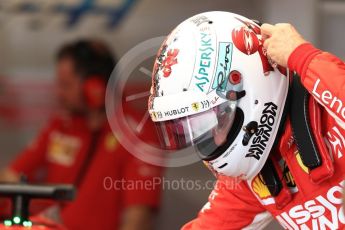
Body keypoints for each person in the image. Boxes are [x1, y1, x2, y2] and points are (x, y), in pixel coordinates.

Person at [147, 11, 345, 229]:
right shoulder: (252, 175)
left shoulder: (331, 112)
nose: (209, 137)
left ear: (247, 89)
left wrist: (304, 57)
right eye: (194, 130)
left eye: (210, 122)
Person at [0, 40, 162, 230]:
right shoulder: (61, 124)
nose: (59, 93)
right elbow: (11, 176)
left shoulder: (137, 134)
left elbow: (138, 218)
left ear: (95, 87)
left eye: (66, 85)